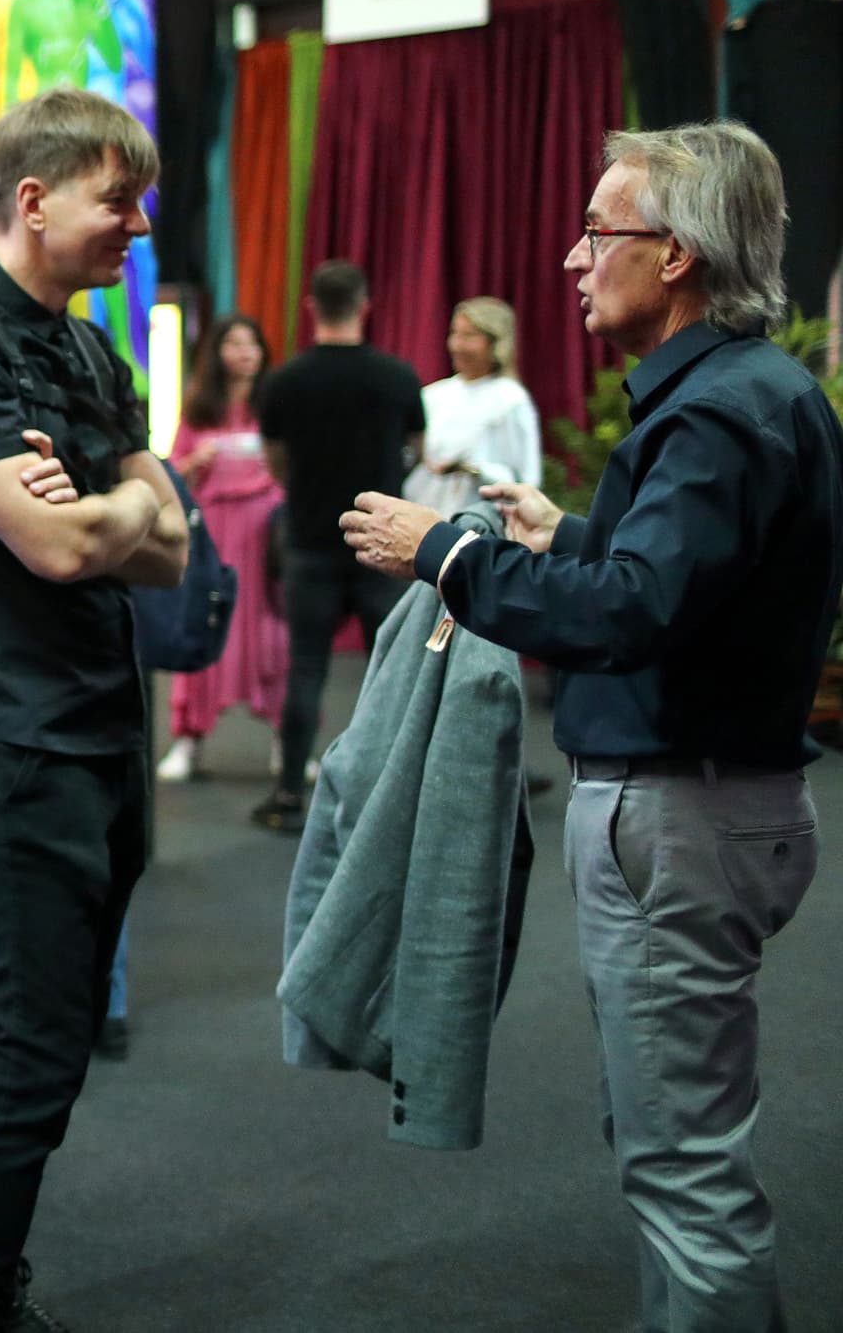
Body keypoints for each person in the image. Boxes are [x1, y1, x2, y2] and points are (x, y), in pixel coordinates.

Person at [342, 121, 842, 1333]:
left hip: (682, 813)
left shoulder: (715, 412)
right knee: (674, 1143)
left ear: (674, 254)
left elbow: (631, 613)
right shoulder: (753, 393)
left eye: (595, 231)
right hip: (713, 806)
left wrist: (447, 551)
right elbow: (702, 584)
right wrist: (564, 535)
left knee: (683, 1170)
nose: (572, 258)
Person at [0, 88, 186, 1333]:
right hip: (13, 736)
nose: (138, 226)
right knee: (32, 1047)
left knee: (55, 1043)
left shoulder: (90, 351)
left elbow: (169, 550)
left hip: (105, 724)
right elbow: (63, 547)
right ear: (32, 200)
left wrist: (109, 510)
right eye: (119, 201)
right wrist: (121, 510)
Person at [252, 262, 425, 833]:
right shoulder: (397, 376)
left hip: (309, 542)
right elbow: (417, 449)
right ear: (365, 305)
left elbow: (274, 462)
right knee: (393, 672)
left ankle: (287, 794)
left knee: (306, 669)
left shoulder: (285, 381)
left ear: (311, 308)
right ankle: (398, 793)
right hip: (381, 543)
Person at [157, 313, 288, 782]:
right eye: (234, 343)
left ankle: (287, 743)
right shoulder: (198, 408)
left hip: (265, 533)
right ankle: (188, 740)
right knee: (201, 622)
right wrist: (197, 460)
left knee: (274, 635)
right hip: (213, 531)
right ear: (217, 352)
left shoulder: (277, 405)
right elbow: (170, 472)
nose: (244, 353)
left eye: (252, 343)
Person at [402, 296, 542, 519]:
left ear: (495, 343)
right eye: (455, 334)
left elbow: (526, 479)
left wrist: (473, 469)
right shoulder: (433, 395)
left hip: (478, 523)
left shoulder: (510, 399)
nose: (457, 345)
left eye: (468, 336)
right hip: (422, 516)